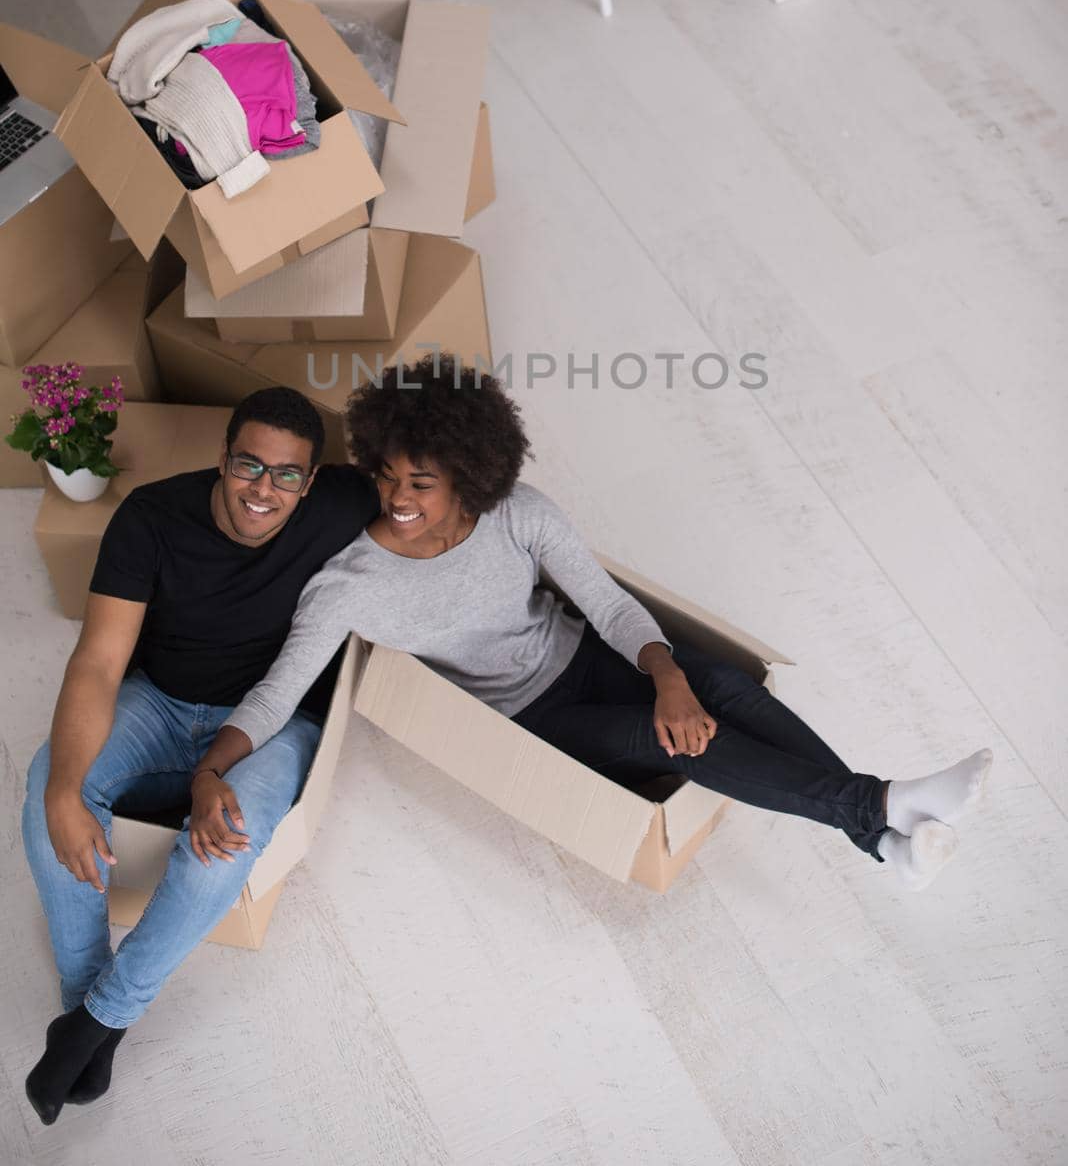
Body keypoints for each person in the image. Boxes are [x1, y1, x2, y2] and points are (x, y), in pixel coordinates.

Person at [204, 356, 994, 903]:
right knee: (673, 739)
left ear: (470, 474)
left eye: (422, 482)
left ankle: (885, 840)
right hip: (541, 720)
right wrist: (214, 769)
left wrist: (671, 674)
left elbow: (610, 607)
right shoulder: (349, 587)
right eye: (386, 475)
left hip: (583, 656)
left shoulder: (518, 514)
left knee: (717, 682)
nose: (397, 496)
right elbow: (277, 693)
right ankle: (884, 807)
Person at [22, 387, 378, 1127]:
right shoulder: (152, 518)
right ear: (222, 458)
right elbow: (97, 662)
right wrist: (63, 794)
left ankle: (98, 1024)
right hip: (161, 702)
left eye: (286, 475)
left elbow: (438, 491)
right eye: (249, 465)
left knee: (229, 836)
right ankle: (83, 1000)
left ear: (312, 482)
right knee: (46, 785)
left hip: (275, 722)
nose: (264, 489)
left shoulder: (345, 504)